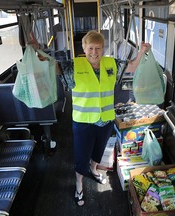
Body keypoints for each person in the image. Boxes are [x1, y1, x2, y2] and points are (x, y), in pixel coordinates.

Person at [30, 30, 150, 207]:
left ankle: (94, 170)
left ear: (103, 49)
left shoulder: (111, 64)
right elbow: (50, 65)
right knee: (81, 154)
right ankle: (79, 184)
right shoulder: (73, 67)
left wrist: (141, 51)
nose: (95, 52)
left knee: (99, 150)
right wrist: (37, 50)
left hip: (105, 120)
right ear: (84, 48)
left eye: (99, 48)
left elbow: (131, 66)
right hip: (83, 121)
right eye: (91, 48)